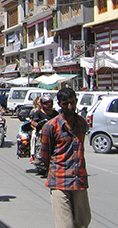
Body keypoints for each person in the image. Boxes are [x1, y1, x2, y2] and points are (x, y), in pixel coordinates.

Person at [41, 88, 91, 228]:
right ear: (60, 104)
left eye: (72, 103)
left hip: (78, 180)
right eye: (66, 104)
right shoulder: (51, 126)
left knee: (83, 222)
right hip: (59, 182)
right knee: (65, 225)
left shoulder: (81, 123)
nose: (70, 107)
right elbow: (46, 155)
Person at [29, 95, 58, 162]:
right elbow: (33, 122)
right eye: (47, 103)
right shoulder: (38, 112)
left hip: (53, 131)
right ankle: (33, 154)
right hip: (41, 131)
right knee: (33, 135)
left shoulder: (55, 113)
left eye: (50, 102)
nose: (49, 104)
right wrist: (37, 124)